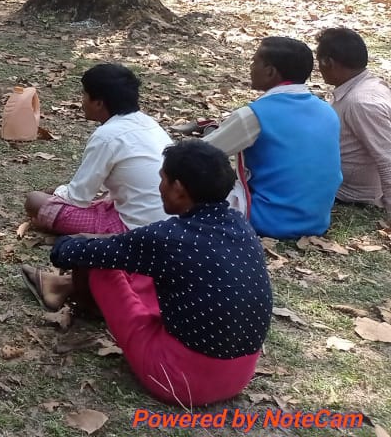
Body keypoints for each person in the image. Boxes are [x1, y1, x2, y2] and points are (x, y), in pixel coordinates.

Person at [44, 140, 272, 407]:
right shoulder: (240, 224)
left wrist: (70, 242)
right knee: (142, 265)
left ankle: (78, 300)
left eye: (162, 179)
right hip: (238, 376)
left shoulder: (169, 238)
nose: (159, 187)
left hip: (178, 380)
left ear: (178, 189)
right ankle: (70, 286)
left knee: (99, 263)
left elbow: (70, 254)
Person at [203, 36, 341, 238]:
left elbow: (197, 155)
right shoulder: (327, 111)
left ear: (270, 72)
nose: (251, 67)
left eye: (255, 62)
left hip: (266, 219)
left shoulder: (254, 115)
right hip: (316, 220)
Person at [24, 64, 171, 235]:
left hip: (136, 229)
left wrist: (54, 194)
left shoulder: (107, 136)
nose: (82, 101)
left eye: (84, 95)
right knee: (63, 194)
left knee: (34, 200)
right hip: (169, 222)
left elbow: (77, 198)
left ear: (99, 103)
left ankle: (58, 223)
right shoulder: (150, 124)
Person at [317, 27, 391, 214]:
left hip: (352, 194)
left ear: (328, 62)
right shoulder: (369, 86)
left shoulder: (361, 103)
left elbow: (387, 158)